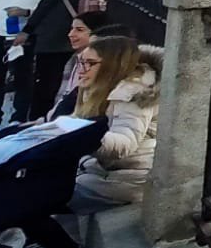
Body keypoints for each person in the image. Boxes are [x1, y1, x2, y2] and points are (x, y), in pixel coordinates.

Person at [16, 35, 161, 248]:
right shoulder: (97, 86)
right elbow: (72, 122)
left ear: (112, 65)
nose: (82, 69)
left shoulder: (133, 95)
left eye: (90, 63)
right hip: (96, 171)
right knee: (25, 190)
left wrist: (83, 136)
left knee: (27, 203)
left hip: (121, 180)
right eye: (81, 62)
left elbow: (124, 143)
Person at [18, 0, 110, 119]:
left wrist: (27, 29)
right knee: (76, 75)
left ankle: (38, 118)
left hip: (54, 33)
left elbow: (46, 4)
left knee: (46, 81)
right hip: (81, 29)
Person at [45, 11, 127, 119]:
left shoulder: (124, 93)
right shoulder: (75, 60)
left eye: (79, 30)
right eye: (72, 29)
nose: (71, 34)